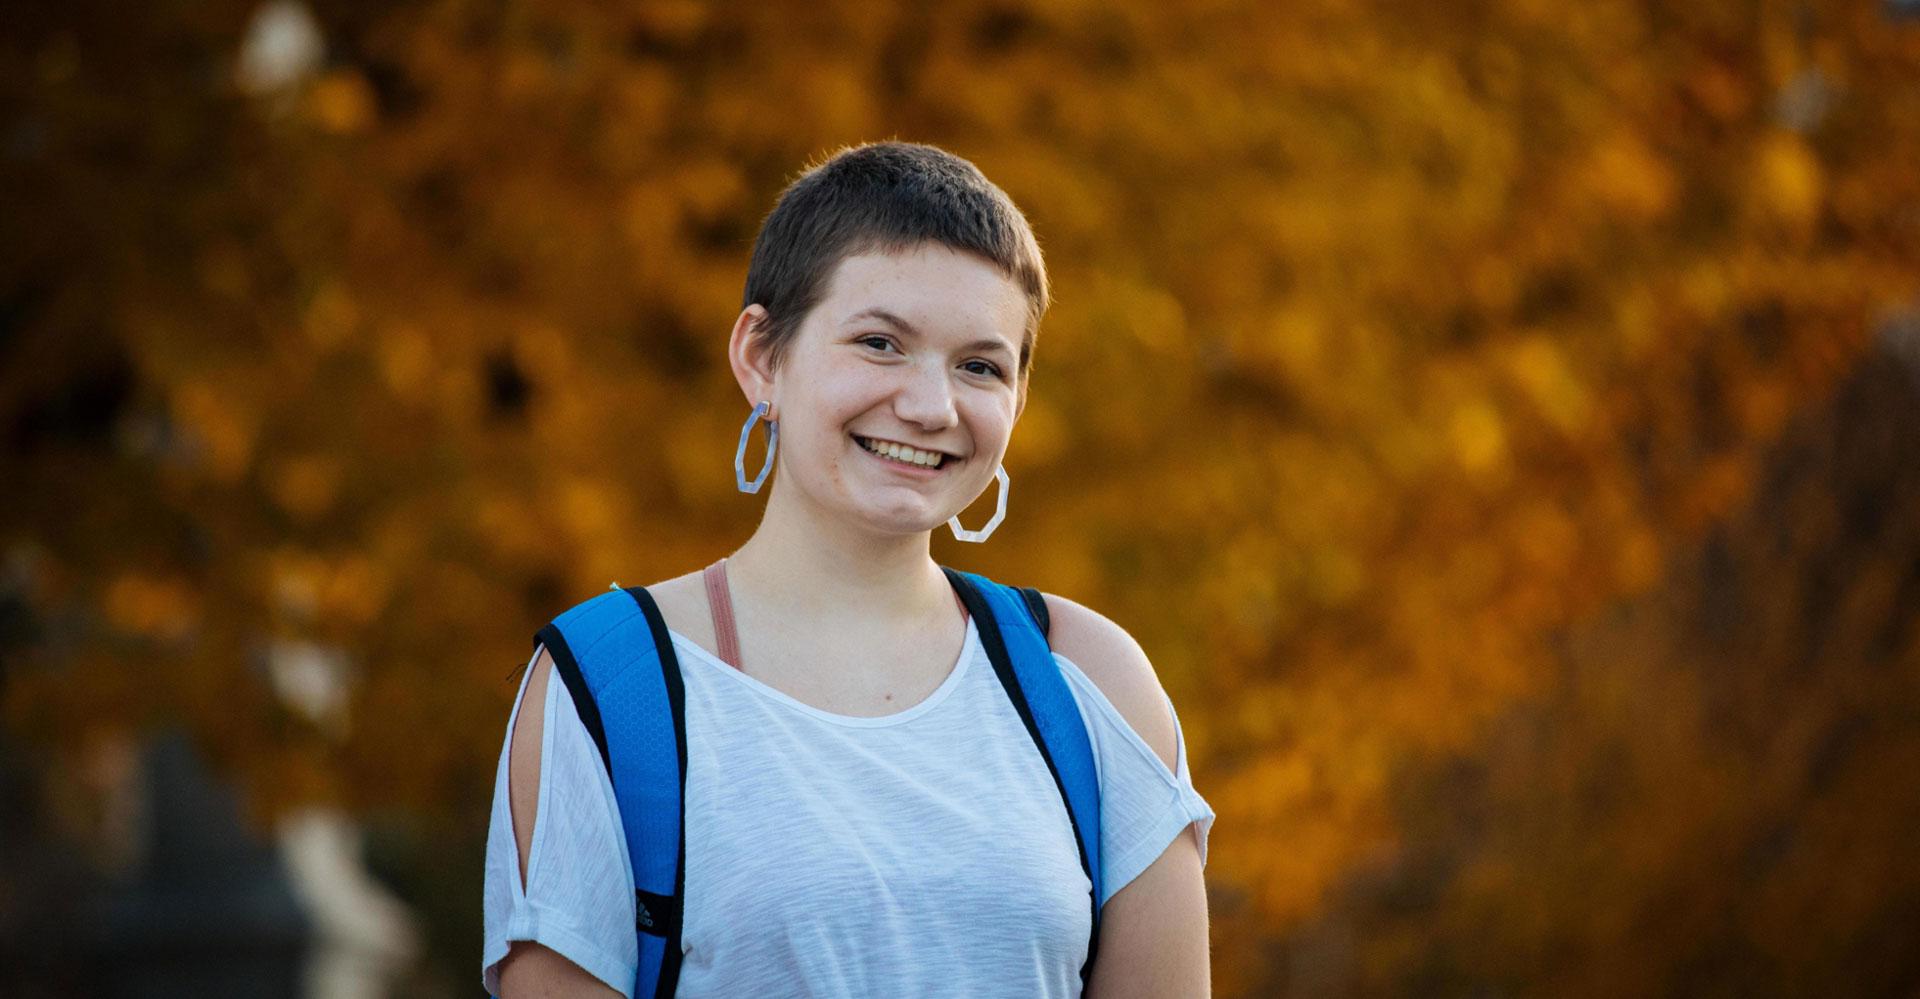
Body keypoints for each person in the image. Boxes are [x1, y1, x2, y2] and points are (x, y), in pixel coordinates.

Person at [481, 141, 1215, 998]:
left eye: (980, 365)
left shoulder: (1091, 682)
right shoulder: (608, 686)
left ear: (1018, 397)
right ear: (762, 356)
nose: (931, 406)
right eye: (879, 343)